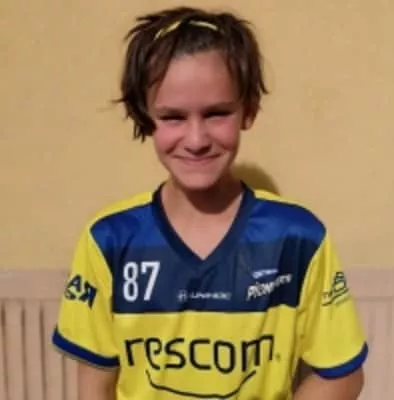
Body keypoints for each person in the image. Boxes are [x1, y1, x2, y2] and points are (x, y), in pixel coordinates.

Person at [52, 6, 368, 400]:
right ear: (145, 116)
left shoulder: (297, 237)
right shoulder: (109, 240)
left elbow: (342, 375)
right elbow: (95, 385)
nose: (197, 139)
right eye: (173, 117)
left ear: (248, 110)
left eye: (217, 113)